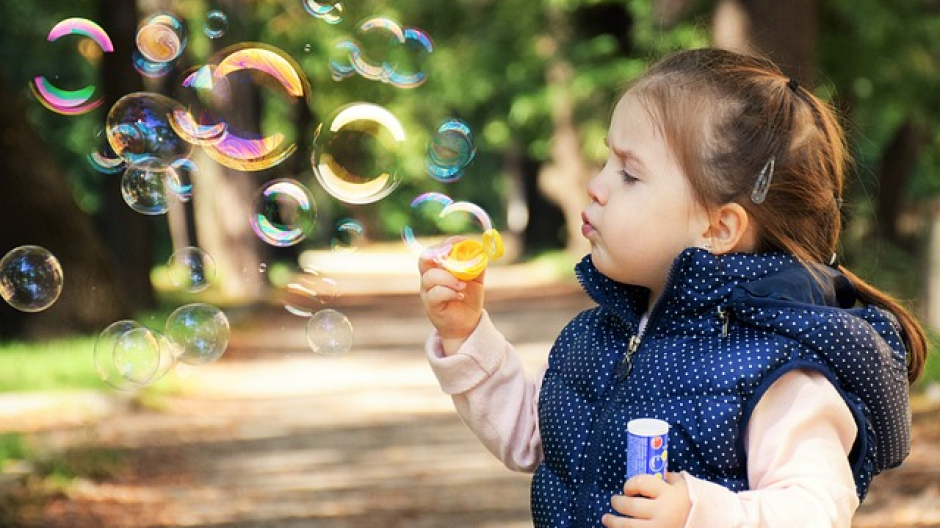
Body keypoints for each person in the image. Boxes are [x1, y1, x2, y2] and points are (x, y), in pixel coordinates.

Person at [418, 47, 928, 528]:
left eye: (629, 174)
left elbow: (817, 507)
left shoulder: (776, 368)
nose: (597, 185)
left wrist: (698, 511)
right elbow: (535, 436)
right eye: (605, 161)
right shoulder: (600, 335)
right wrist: (467, 335)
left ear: (718, 228)